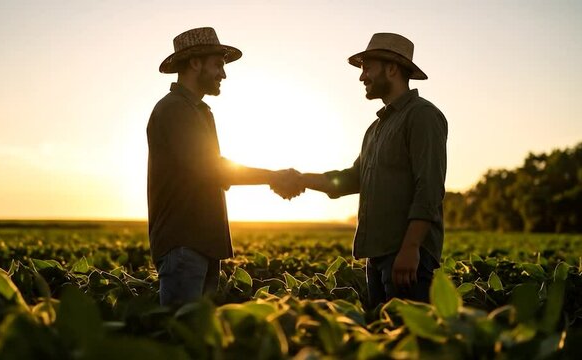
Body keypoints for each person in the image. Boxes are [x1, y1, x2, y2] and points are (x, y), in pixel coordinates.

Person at [275, 33, 448, 308]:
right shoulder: (375, 128)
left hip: (405, 255)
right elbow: (351, 179)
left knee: (407, 340)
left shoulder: (422, 115)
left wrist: (411, 247)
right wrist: (300, 179)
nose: (361, 77)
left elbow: (429, 186)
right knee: (381, 337)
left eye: (367, 67)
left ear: (392, 68)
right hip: (377, 255)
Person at [148, 27, 302, 306]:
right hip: (184, 243)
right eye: (218, 64)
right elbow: (210, 169)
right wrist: (273, 177)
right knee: (184, 339)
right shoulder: (174, 109)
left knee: (201, 338)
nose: (223, 73)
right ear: (195, 63)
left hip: (200, 243)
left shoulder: (197, 110)